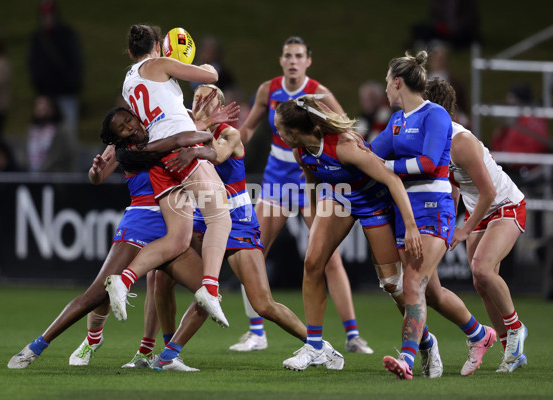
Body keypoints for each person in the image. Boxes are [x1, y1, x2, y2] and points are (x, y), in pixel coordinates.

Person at [148, 84, 342, 370]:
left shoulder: (229, 133)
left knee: (263, 304)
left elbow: (215, 155)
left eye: (208, 99)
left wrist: (201, 126)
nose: (200, 103)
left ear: (220, 108)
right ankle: (168, 353)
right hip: (204, 219)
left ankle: (319, 346)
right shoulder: (186, 131)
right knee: (164, 277)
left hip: (237, 221)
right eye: (196, 98)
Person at [7, 123, 217, 370]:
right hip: (141, 223)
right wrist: (96, 171)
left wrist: (203, 134)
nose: (130, 124)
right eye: (123, 125)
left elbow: (207, 148)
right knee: (97, 295)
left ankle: (168, 355)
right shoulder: (124, 147)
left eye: (130, 119)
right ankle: (42, 346)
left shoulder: (166, 127)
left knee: (207, 293)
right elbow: (97, 177)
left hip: (174, 225)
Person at [237, 36, 373, 354]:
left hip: (311, 177)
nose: (293, 60)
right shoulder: (268, 90)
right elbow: (248, 129)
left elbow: (347, 129)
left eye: (299, 55)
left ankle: (353, 336)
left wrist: (354, 157)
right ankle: (256, 332)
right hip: (275, 178)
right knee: (250, 249)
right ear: (281, 60)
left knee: (328, 258)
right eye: (288, 55)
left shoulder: (319, 93)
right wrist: (228, 149)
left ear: (308, 61)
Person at [371, 51, 496, 379]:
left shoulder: (435, 115)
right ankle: (480, 334)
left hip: (432, 210)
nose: (385, 89)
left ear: (397, 82)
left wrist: (388, 167)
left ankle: (408, 361)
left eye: (387, 82)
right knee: (432, 292)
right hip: (405, 212)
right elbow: (369, 153)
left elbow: (428, 164)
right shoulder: (397, 121)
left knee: (412, 283)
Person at [273, 95, 422, 371]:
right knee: (312, 262)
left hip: (374, 203)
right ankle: (314, 346)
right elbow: (312, 184)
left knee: (393, 284)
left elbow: (391, 179)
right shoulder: (301, 151)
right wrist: (316, 223)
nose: (278, 135)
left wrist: (411, 227)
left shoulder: (344, 146)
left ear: (293, 131)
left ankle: (423, 339)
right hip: (340, 198)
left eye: (280, 130)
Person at [103, 24, 235, 328]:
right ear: (157, 47)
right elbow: (211, 76)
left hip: (156, 156)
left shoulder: (128, 81)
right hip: (181, 147)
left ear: (129, 51)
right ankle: (210, 289)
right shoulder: (159, 63)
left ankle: (123, 280)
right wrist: (195, 62)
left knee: (176, 239)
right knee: (219, 217)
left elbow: (164, 110)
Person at [426, 77, 528, 373]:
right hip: (479, 209)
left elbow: (490, 192)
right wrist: (447, 223)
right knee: (480, 281)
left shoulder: (461, 141)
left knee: (482, 268)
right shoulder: (437, 139)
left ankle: (516, 330)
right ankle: (512, 348)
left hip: (505, 204)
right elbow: (452, 184)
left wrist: (464, 228)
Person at [28, 0, 83, 139]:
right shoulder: (38, 38)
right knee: (46, 135)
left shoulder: (67, 35)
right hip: (46, 93)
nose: (47, 18)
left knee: (68, 133)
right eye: (44, 15)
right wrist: (39, 87)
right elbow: (33, 64)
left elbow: (76, 62)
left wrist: (73, 83)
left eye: (50, 15)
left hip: (66, 92)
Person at [26, 95, 77, 172]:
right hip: (32, 175)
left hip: (54, 175)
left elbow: (61, 156)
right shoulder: (32, 131)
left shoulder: (61, 132)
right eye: (38, 106)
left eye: (44, 106)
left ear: (52, 109)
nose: (40, 109)